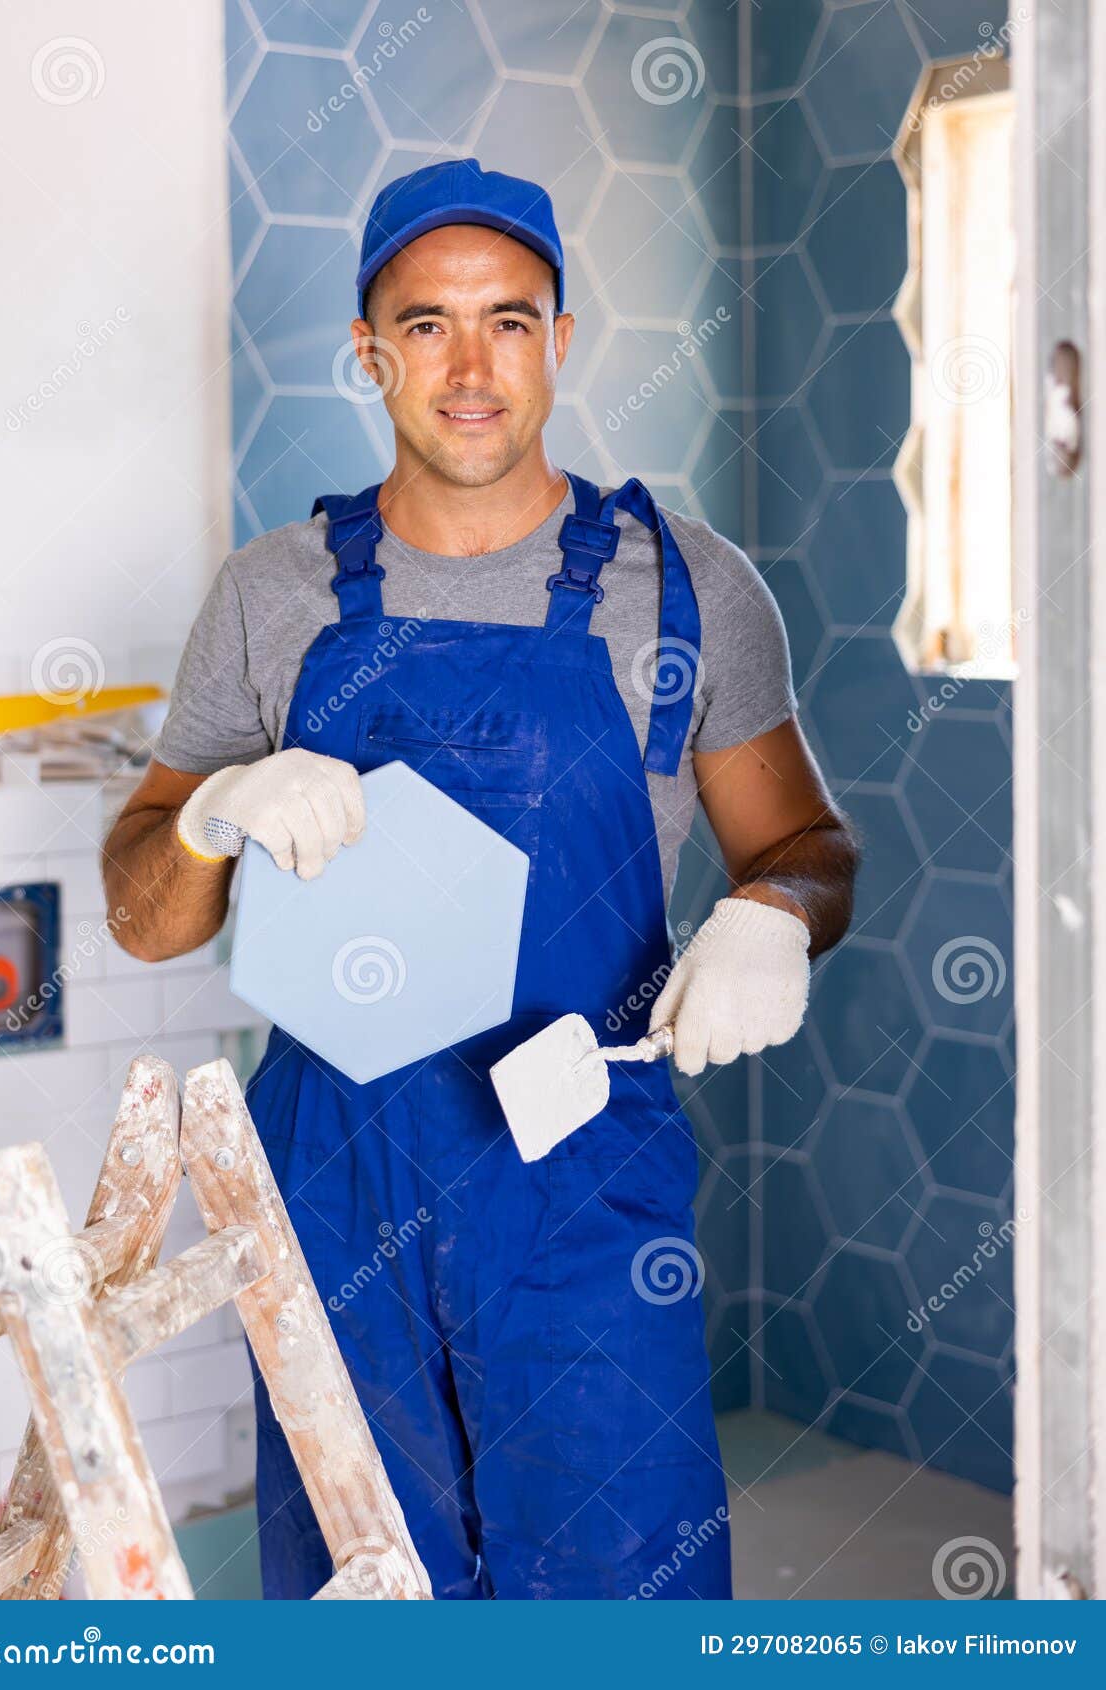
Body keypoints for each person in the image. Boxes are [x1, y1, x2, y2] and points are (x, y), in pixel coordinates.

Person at [104, 157, 858, 1600]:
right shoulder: (271, 596)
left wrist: (773, 915)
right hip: (335, 1195)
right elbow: (142, 917)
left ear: (559, 339)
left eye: (508, 321)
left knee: (620, 1598)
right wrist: (209, 815)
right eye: (426, 325)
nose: (470, 369)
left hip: (582, 1189)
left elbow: (806, 845)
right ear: (369, 350)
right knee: (363, 1596)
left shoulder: (687, 590)